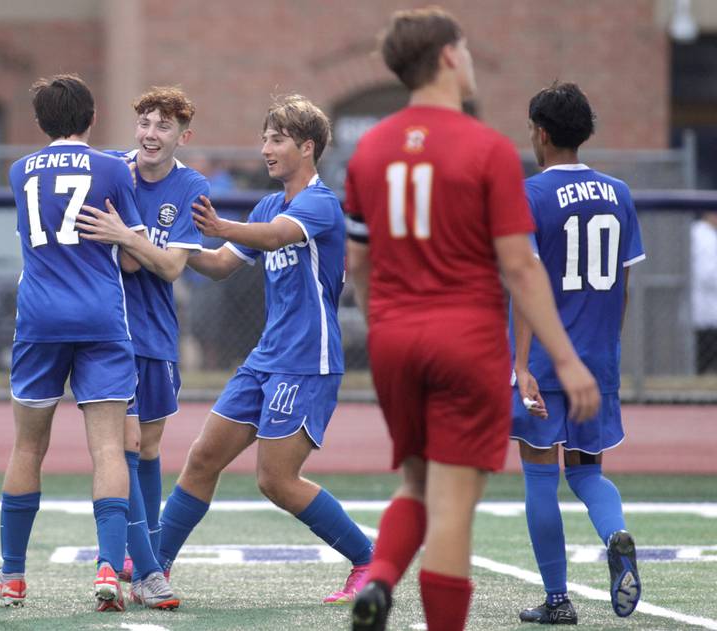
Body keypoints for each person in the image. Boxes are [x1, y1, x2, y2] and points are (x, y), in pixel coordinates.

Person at [344, 9, 601, 631]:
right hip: (466, 339)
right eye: (465, 47)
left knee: (416, 481)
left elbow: (359, 264)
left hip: (395, 338)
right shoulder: (487, 148)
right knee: (453, 507)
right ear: (448, 57)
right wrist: (565, 360)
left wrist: (387, 328)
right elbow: (520, 266)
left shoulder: (370, 149)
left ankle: (379, 578)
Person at [156, 94, 374, 604]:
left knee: (276, 480)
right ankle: (153, 566)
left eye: (276, 140)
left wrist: (221, 226)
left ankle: (369, 560)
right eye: (264, 138)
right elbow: (218, 265)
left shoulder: (320, 203)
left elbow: (276, 237)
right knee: (203, 458)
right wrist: (163, 242)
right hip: (266, 359)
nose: (265, 149)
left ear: (307, 146)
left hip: (308, 363)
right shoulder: (267, 203)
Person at [0, 74, 145, 612]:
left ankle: (13, 576)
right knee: (107, 448)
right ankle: (107, 568)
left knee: (28, 446)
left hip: (39, 320)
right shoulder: (113, 170)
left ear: (39, 122)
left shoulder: (18, 169)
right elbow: (129, 250)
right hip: (100, 317)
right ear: (92, 117)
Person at [510, 82, 645, 624]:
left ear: (541, 133)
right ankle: (615, 535)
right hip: (598, 360)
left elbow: (524, 285)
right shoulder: (620, 192)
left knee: (540, 475)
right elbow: (625, 287)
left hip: (545, 359)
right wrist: (606, 348)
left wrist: (521, 366)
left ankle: (558, 599)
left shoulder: (530, 195)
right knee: (587, 472)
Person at [76, 86, 208, 609]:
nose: (151, 135)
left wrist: (125, 236)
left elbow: (172, 266)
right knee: (125, 446)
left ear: (182, 136)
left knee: (148, 448)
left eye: (163, 127)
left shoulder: (190, 185)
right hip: (110, 334)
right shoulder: (112, 169)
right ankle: (145, 568)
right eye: (145, 124)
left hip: (156, 334)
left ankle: (145, 550)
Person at [691, 211, 717, 373]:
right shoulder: (703, 236)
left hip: (707, 310)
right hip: (704, 310)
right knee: (703, 361)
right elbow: (708, 274)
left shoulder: (707, 235)